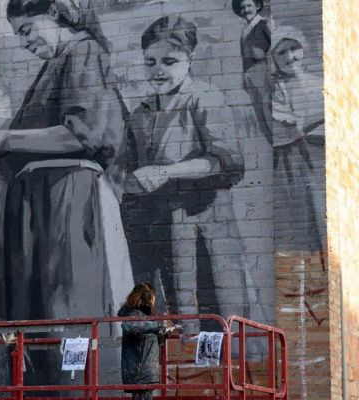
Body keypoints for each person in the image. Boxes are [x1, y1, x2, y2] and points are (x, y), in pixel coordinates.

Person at [0, 0, 133, 390]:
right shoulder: (60, 62)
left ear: (56, 14)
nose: (24, 42)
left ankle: (74, 388)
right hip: (47, 205)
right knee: (47, 315)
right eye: (17, 35)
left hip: (70, 201)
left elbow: (85, 134)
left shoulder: (84, 52)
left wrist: (3, 138)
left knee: (68, 308)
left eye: (28, 29)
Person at [123, 15, 247, 331]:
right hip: (158, 223)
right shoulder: (141, 113)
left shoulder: (204, 97)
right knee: (167, 310)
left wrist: (168, 171)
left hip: (203, 218)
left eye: (169, 61)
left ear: (190, 59)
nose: (158, 70)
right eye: (150, 62)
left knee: (210, 303)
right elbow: (130, 166)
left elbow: (227, 161)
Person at [269, 26, 326, 254]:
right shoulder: (275, 88)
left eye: (293, 49)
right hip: (293, 159)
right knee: (299, 217)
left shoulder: (317, 83)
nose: (289, 57)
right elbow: (283, 121)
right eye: (281, 53)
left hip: (320, 156)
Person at [118, 283, 179, 400]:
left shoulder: (143, 317)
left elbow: (150, 343)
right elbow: (130, 325)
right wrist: (157, 327)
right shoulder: (135, 315)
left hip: (143, 372)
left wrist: (163, 334)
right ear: (147, 297)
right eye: (153, 296)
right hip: (140, 373)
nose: (154, 300)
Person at [233, 0, 272, 144]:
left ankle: (278, 145)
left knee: (267, 111)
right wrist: (244, 77)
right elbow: (244, 56)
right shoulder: (245, 29)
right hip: (250, 74)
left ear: (257, 6)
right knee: (259, 114)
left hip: (263, 71)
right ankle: (271, 142)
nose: (245, 10)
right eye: (242, 7)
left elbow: (274, 47)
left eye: (249, 5)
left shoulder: (263, 24)